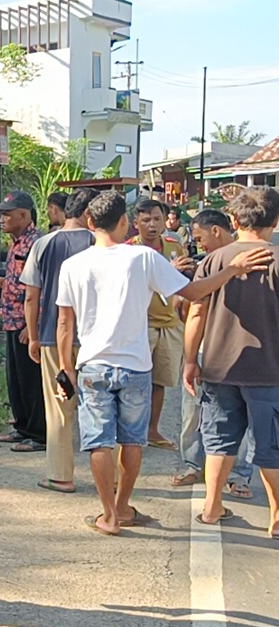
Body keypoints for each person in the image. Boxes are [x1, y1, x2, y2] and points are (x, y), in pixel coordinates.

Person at [55, 191, 272, 536]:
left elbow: (65, 323)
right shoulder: (143, 258)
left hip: (92, 365)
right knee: (132, 441)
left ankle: (108, 515)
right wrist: (233, 269)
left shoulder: (72, 266)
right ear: (126, 222)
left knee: (99, 442)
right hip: (137, 366)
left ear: (91, 223)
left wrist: (65, 367)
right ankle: (125, 506)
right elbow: (193, 292)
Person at [183, 187, 279, 534]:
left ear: (234, 221)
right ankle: (276, 515)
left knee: (219, 440)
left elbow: (196, 311)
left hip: (220, 366)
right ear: (276, 220)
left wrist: (191, 359)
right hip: (270, 370)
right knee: (271, 444)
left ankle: (211, 507)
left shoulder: (214, 260)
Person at [173, 209, 256, 498]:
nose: (198, 244)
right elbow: (189, 307)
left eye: (199, 237)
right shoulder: (206, 263)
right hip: (216, 349)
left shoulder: (246, 258)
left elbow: (197, 310)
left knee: (236, 419)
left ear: (217, 230)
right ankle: (193, 464)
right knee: (194, 411)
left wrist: (191, 357)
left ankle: (237, 475)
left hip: (229, 351)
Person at [22, 187, 100, 493]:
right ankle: (113, 478)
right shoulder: (101, 243)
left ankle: (61, 475)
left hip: (54, 336)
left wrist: (33, 334)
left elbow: (32, 295)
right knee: (102, 406)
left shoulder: (44, 244)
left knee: (59, 407)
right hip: (98, 338)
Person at [130, 199, 194, 450]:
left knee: (160, 381)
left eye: (157, 219)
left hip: (169, 323)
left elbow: (185, 284)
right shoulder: (128, 250)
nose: (152, 225)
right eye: (146, 220)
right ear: (135, 224)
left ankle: (153, 430)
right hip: (140, 325)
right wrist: (168, 269)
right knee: (136, 381)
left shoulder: (174, 246)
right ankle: (132, 432)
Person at [0, 191, 47, 453]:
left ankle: (38, 433)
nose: (2, 219)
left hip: (26, 323)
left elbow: (41, 288)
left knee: (31, 379)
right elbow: (21, 280)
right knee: (15, 378)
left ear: (24, 215)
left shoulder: (37, 243)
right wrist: (4, 283)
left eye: (7, 214)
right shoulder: (16, 242)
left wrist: (30, 326)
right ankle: (22, 426)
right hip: (11, 319)